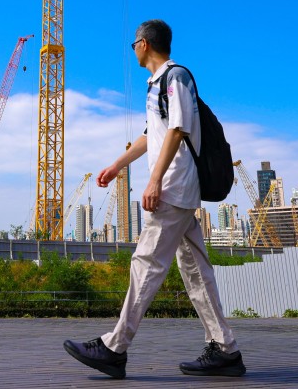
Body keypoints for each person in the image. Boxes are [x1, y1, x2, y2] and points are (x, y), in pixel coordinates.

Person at [63, 19, 245, 379]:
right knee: (196, 272)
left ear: (144, 44)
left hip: (174, 187)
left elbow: (178, 129)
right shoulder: (157, 84)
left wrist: (155, 180)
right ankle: (225, 350)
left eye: (133, 44)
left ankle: (115, 347)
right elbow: (153, 135)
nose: (132, 50)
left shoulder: (176, 76)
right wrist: (117, 164)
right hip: (176, 189)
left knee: (146, 262)